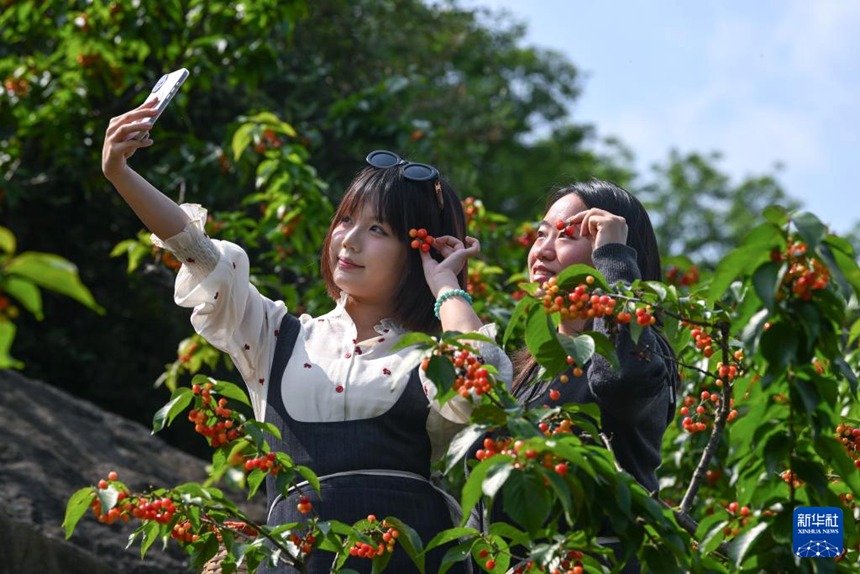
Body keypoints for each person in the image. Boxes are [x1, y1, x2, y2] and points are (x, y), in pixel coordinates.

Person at [101, 100, 512, 573]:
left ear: (415, 250)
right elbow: (198, 253)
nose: (349, 241)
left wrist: (445, 285)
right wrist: (120, 173)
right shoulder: (278, 338)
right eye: (345, 221)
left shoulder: (428, 358)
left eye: (377, 229)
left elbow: (483, 395)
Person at [507, 179, 679, 572]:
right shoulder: (528, 369)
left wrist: (616, 258)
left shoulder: (644, 354)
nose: (542, 251)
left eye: (567, 236)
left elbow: (621, 380)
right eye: (540, 235)